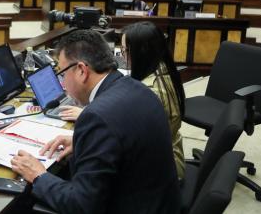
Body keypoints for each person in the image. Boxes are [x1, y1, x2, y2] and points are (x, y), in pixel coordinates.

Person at [10, 30, 180, 213]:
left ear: (82, 71)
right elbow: (125, 140)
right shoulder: (138, 88)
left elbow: (81, 205)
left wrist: (38, 175)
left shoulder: (96, 118)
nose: (63, 84)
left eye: (62, 73)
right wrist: (84, 143)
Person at [121, 21, 186, 179]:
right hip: (171, 155)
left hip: (161, 173)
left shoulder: (149, 93)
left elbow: (126, 141)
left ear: (140, 52)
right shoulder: (163, 69)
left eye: (124, 51)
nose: (122, 57)